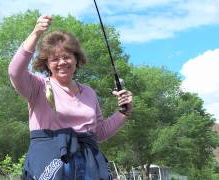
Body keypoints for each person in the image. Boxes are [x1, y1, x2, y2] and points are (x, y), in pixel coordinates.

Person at [8, 15, 133, 180]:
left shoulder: (89, 92)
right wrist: (36, 33)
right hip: (51, 161)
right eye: (54, 59)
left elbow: (98, 133)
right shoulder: (37, 86)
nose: (62, 62)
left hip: (89, 165)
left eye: (67, 57)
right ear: (46, 64)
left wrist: (123, 113)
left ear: (76, 59)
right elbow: (15, 71)